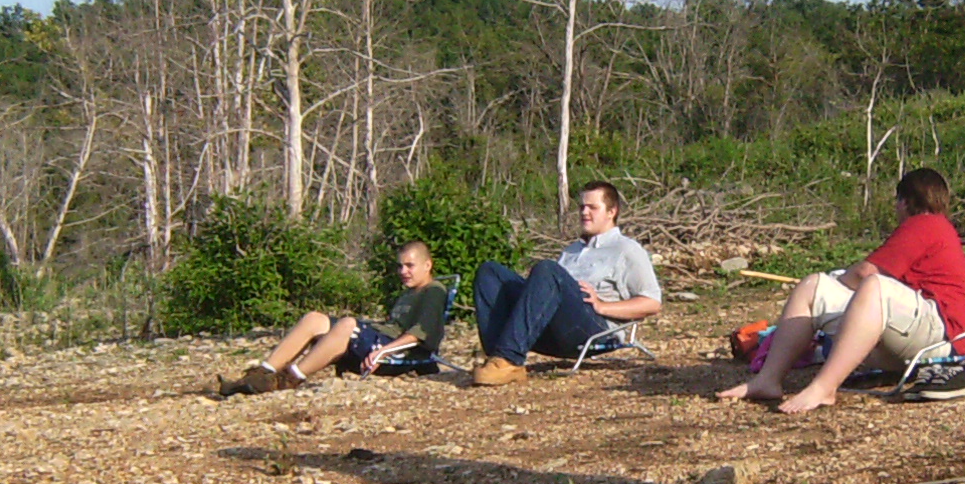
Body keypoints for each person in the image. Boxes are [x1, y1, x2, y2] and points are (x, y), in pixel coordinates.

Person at [719, 167, 965, 415]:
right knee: (813, 287)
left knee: (874, 285)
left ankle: (824, 388)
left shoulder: (925, 225)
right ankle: (768, 380)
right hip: (909, 335)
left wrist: (838, 280)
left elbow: (864, 274)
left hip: (941, 340)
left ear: (904, 201)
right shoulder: (933, 227)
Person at [470, 182, 663, 386]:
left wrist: (602, 306)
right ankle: (497, 358)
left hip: (595, 330)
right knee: (490, 272)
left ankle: (507, 360)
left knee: (547, 269)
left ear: (611, 212)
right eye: (582, 207)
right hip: (556, 328)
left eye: (592, 207)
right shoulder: (571, 251)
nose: (584, 213)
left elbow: (652, 303)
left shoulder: (626, 249)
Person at [231, 241, 450, 393]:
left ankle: (289, 379)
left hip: (395, 351)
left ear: (427, 265)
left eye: (410, 266)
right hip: (382, 338)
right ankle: (261, 374)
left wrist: (382, 352)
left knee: (348, 324)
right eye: (400, 266)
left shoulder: (433, 291)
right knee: (314, 319)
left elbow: (420, 335)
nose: (403, 271)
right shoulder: (409, 292)